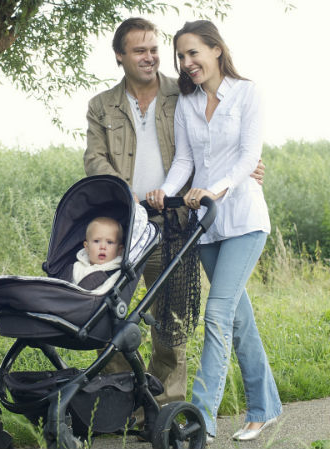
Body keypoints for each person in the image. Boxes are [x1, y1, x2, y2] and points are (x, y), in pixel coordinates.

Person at [83, 17, 265, 409]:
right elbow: (95, 159)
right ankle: (117, 404)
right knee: (114, 311)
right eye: (139, 50)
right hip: (124, 226)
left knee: (172, 317)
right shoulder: (102, 106)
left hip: (176, 222)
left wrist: (247, 171)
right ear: (120, 56)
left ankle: (165, 407)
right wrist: (127, 197)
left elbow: (213, 149)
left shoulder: (182, 94)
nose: (151, 58)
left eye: (154, 49)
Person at [146, 20, 281, 443]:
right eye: (181, 57)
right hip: (204, 230)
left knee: (218, 315)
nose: (187, 63)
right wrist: (163, 192)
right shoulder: (187, 104)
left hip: (242, 220)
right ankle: (265, 408)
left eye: (193, 54)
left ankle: (198, 419)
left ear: (216, 50)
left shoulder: (247, 93)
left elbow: (248, 158)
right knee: (239, 322)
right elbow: (184, 161)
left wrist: (214, 190)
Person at [66, 216, 124, 295]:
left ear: (119, 250)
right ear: (86, 247)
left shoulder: (116, 273)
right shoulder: (77, 267)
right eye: (96, 241)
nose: (103, 247)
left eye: (109, 242)